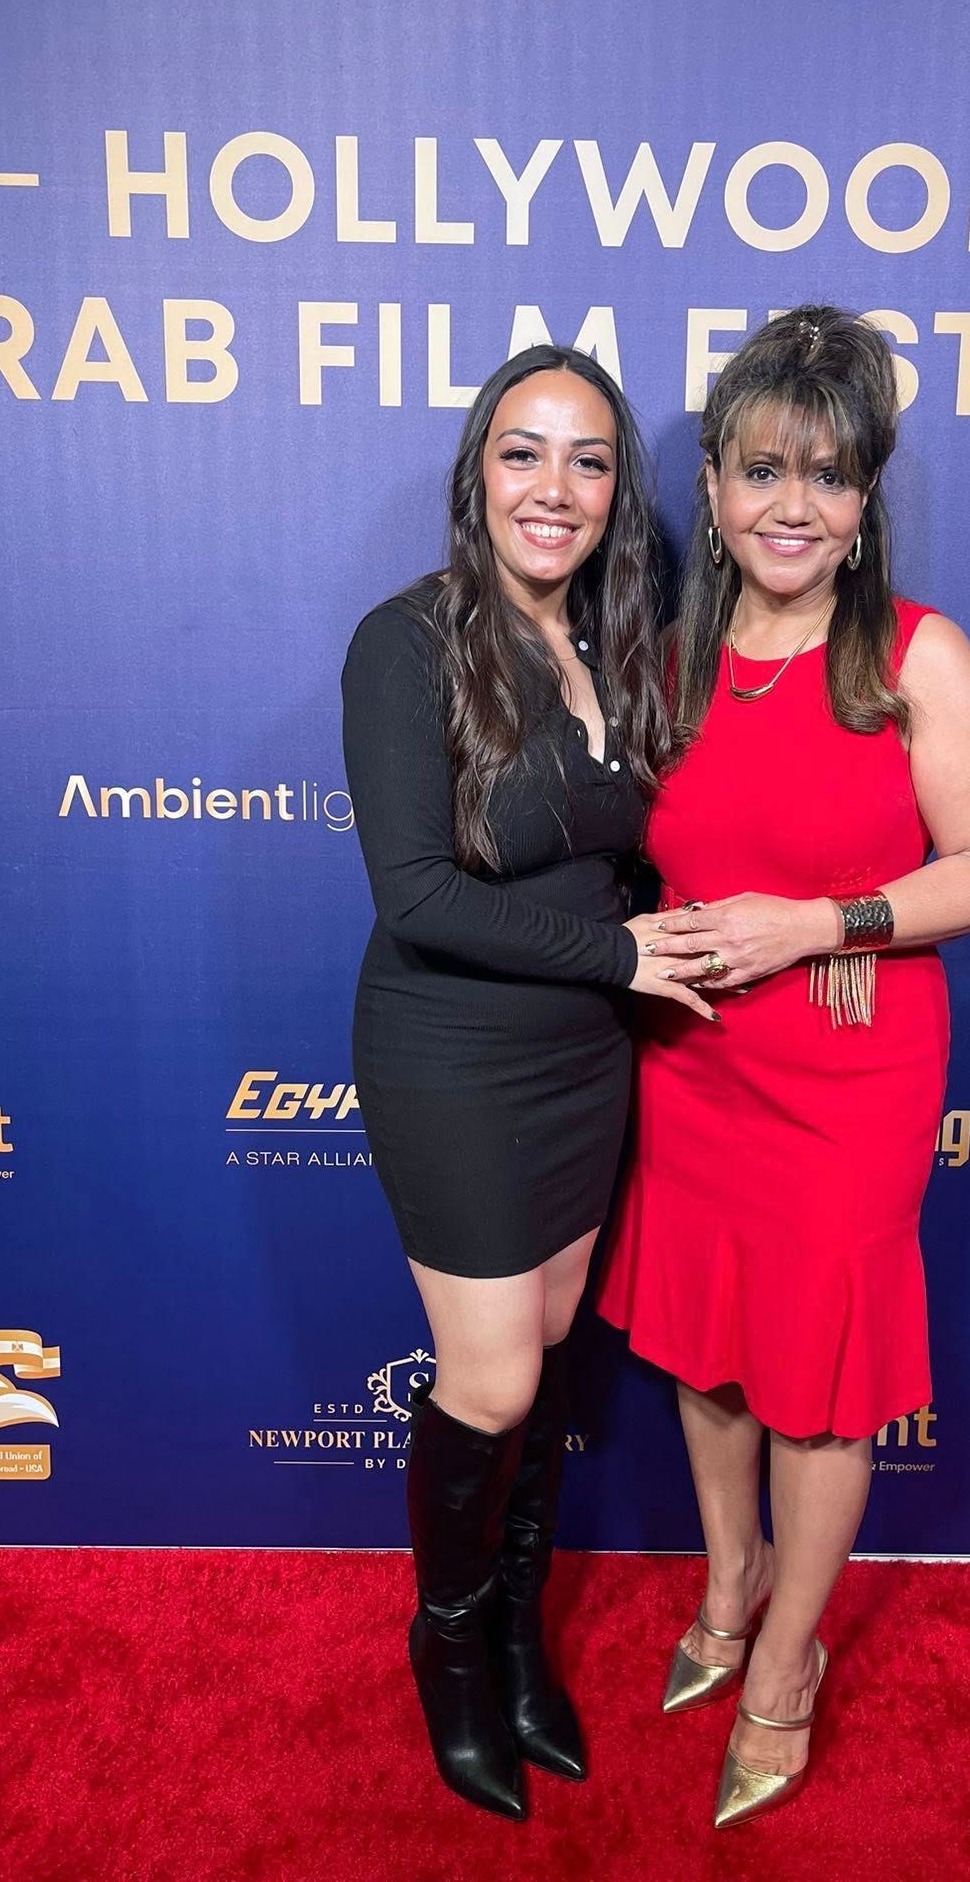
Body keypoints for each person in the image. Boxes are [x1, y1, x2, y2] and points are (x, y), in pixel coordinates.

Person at [598, 306, 970, 1829]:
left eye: (829, 478)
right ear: (712, 487)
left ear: (865, 504)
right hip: (695, 1070)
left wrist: (819, 923)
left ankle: (785, 1661)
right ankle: (730, 1588)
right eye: (764, 470)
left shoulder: (917, 657)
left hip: (849, 1077)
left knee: (822, 1388)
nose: (794, 506)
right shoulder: (665, 661)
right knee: (710, 1348)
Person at [340, 345, 715, 1820]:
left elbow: (627, 850)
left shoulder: (622, 644)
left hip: (580, 1056)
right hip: (455, 1051)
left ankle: (513, 1635)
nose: (552, 487)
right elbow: (417, 894)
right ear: (475, 473)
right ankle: (447, 1651)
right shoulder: (409, 640)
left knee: (548, 1349)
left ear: (618, 493)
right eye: (522, 452)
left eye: (588, 459)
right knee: (491, 1376)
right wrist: (620, 958)